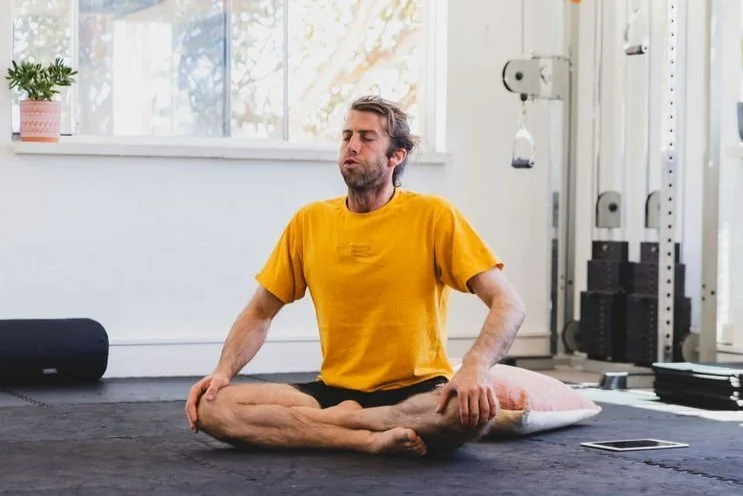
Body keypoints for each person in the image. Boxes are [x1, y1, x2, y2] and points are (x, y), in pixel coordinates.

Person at [185, 95, 526, 457]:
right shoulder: (309, 221)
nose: (351, 146)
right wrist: (222, 372)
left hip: (416, 391)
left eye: (366, 138)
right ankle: (364, 439)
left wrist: (474, 367)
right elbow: (260, 312)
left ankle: (329, 426)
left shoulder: (435, 215)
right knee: (211, 406)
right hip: (332, 392)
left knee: (471, 413)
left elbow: (509, 303)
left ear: (396, 156)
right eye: (347, 136)